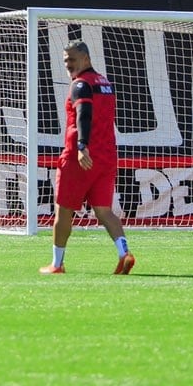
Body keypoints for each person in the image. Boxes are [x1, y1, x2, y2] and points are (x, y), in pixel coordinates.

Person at [40, 41, 136, 276]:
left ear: (85, 58)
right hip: (106, 156)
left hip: (80, 157)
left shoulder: (80, 85)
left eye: (72, 59)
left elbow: (84, 115)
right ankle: (124, 252)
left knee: (63, 212)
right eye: (65, 60)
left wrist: (82, 146)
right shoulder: (105, 83)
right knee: (104, 211)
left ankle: (57, 264)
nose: (68, 64)